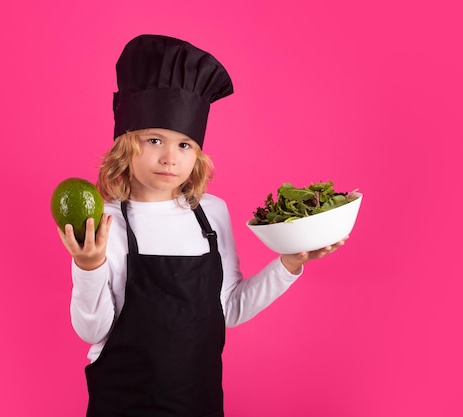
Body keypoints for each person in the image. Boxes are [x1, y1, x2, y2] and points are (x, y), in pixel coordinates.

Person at [57, 34, 347, 417]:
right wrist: (88, 267)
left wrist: (289, 264)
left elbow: (228, 310)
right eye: (155, 139)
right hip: (122, 404)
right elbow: (92, 332)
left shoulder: (211, 212)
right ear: (126, 145)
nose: (169, 158)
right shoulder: (105, 219)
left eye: (184, 145)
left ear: (197, 153)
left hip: (199, 404)